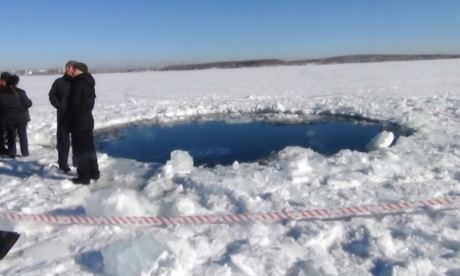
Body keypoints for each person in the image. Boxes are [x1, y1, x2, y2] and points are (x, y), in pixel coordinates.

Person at [66, 62, 100, 184]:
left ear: (78, 70)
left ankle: (84, 176)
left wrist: (70, 116)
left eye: (73, 69)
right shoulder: (89, 82)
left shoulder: (78, 82)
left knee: (80, 149)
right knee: (89, 147)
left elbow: (74, 103)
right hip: (88, 119)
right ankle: (94, 173)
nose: (72, 71)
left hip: (78, 120)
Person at [49, 60, 77, 172]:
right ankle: (63, 164)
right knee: (63, 141)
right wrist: (59, 105)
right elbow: (52, 95)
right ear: (67, 68)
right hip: (63, 116)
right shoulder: (59, 82)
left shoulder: (78, 82)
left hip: (77, 116)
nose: (74, 71)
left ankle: (78, 163)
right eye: (73, 68)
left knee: (77, 141)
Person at [0, 75, 33, 158]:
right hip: (21, 117)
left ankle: (12, 153)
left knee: (11, 135)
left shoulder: (2, 93)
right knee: (22, 135)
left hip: (8, 117)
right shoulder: (20, 92)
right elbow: (28, 104)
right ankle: (25, 152)